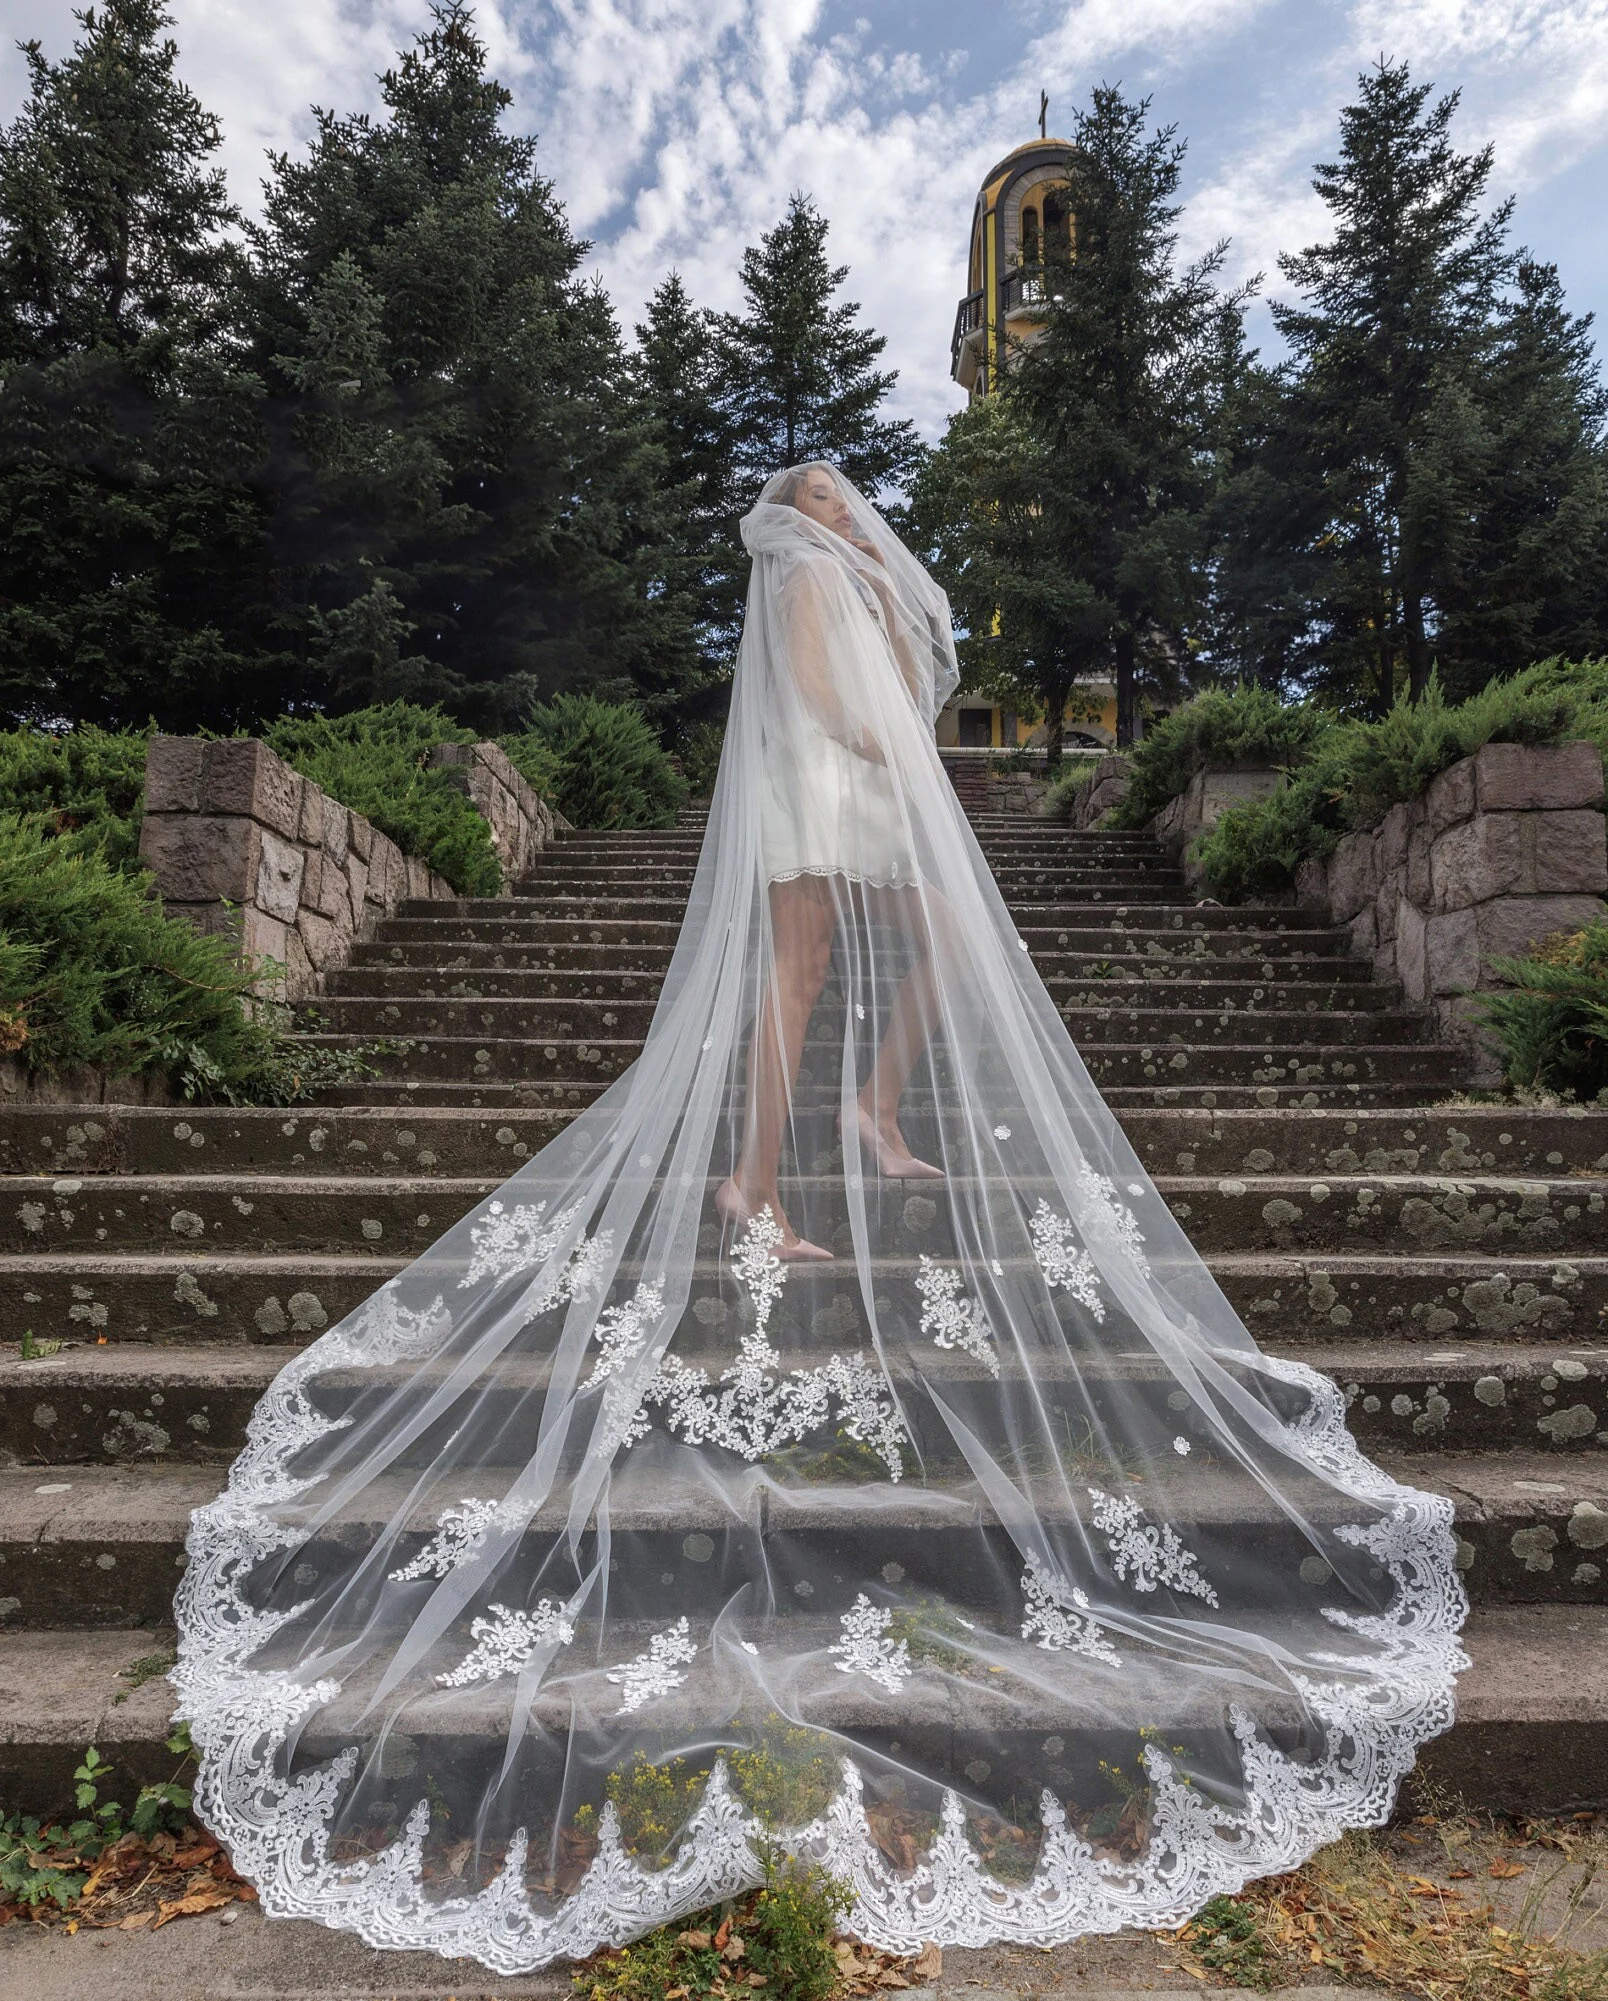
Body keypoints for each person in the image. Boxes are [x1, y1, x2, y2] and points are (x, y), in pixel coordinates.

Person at [171, 462, 1470, 1974]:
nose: (857, 510)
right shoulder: (794, 568)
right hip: (822, 769)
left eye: (854, 499)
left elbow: (891, 659)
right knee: (793, 969)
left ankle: (868, 1112)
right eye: (839, 496)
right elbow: (805, 683)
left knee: (928, 932)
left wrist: (900, 724)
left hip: (864, 772)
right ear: (809, 507)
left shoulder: (849, 573)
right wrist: (885, 740)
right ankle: (754, 1179)